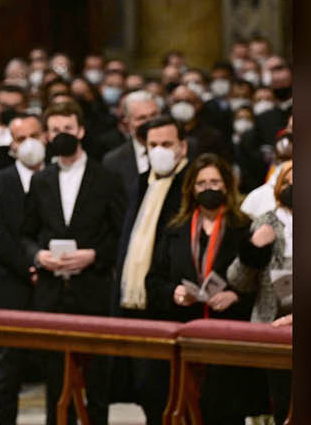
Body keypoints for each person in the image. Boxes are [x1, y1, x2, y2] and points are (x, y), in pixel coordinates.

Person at [22, 101, 124, 425]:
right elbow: (26, 234)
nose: (61, 135)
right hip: (52, 291)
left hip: (93, 289)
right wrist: (39, 256)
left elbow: (122, 233)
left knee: (98, 378)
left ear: (80, 130)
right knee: (54, 378)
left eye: (67, 129)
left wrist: (95, 255)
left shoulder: (107, 177)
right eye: (54, 130)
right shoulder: (41, 180)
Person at [146, 153, 262, 424]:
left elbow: (260, 281)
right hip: (186, 333)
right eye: (201, 183)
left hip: (229, 336)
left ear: (226, 185)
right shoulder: (175, 229)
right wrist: (174, 293)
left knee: (226, 414)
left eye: (215, 182)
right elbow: (154, 281)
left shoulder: (244, 227)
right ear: (191, 189)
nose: (208, 188)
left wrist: (235, 295)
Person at [114, 115, 191, 422]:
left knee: (175, 391)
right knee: (147, 389)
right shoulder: (142, 181)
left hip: (173, 303)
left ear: (182, 146)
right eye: (153, 145)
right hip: (137, 302)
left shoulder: (191, 184)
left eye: (167, 144)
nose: (159, 150)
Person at [0, 115, 48, 424]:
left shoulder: (59, 177)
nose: (30, 143)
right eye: (22, 138)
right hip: (12, 283)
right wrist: (30, 266)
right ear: (11, 144)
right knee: (9, 370)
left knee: (58, 365)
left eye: (35, 135)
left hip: (54, 283)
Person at [228, 161, 293, 423]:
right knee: (281, 403)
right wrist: (253, 248)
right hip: (273, 325)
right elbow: (238, 281)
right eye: (287, 182)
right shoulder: (266, 221)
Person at [102, 90, 160, 212]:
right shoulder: (112, 161)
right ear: (127, 124)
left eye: (154, 115)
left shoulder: (182, 150)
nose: (150, 122)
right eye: (141, 118)